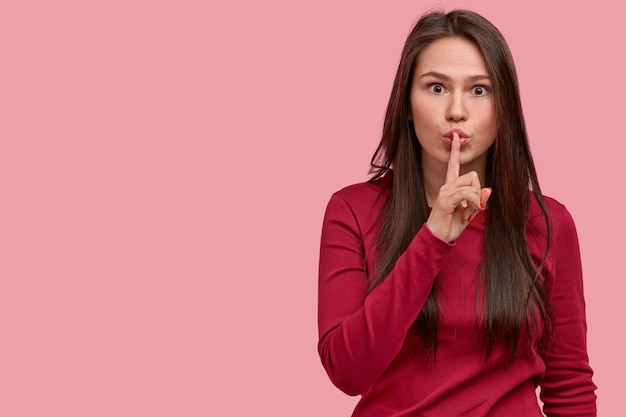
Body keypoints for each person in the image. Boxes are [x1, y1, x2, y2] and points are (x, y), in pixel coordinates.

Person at [317, 9, 597, 417]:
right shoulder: (352, 210)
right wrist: (433, 239)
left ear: (504, 110)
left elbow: (569, 384)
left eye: (479, 91)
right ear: (407, 105)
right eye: (435, 88)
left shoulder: (546, 222)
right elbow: (347, 371)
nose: (456, 111)